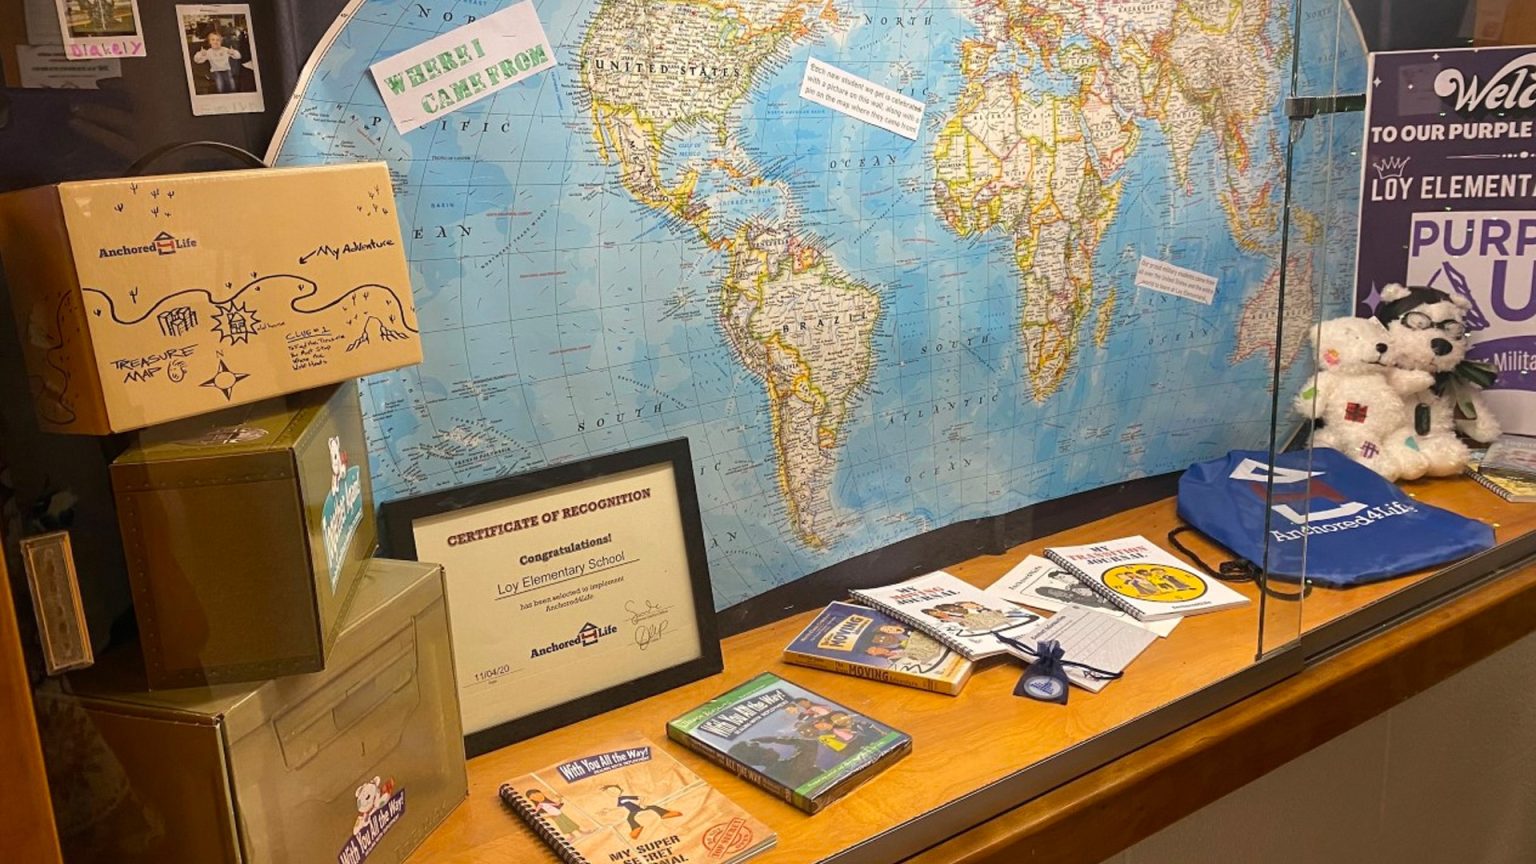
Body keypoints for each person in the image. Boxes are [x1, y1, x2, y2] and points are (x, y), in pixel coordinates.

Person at [600, 784, 680, 839]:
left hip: (638, 807)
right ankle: (636, 828)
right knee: (629, 819)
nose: (612, 793)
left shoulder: (625, 797)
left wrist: (641, 804)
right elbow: (619, 808)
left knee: (653, 807)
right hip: (632, 811)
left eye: (614, 791)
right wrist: (609, 810)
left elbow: (641, 797)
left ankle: (665, 813)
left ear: (620, 790)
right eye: (610, 792)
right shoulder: (619, 800)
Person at [193, 28, 242, 94]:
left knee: (232, 86)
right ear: (209, 42)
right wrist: (200, 54)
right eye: (213, 40)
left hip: (227, 70)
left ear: (221, 41)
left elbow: (238, 56)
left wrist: (233, 52)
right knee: (220, 86)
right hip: (216, 71)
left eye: (218, 40)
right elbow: (197, 60)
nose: (215, 42)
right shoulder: (208, 52)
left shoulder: (225, 50)